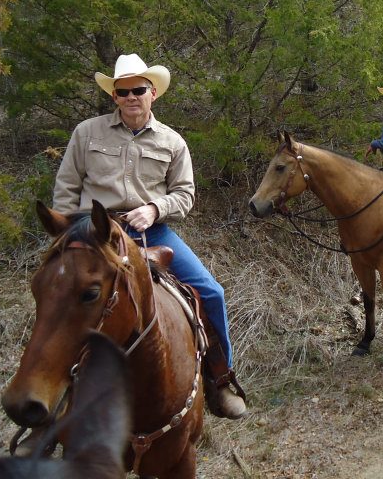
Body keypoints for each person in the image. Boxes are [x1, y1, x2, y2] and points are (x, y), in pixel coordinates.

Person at [53, 53, 248, 419]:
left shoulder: (172, 142)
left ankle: (219, 381)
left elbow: (185, 194)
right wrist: (68, 235)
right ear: (114, 96)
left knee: (210, 292)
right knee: (60, 300)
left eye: (138, 89)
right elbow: (66, 187)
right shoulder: (86, 133)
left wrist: (155, 209)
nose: (131, 97)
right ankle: (51, 407)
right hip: (95, 231)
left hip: (151, 230)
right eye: (122, 91)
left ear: (152, 92)